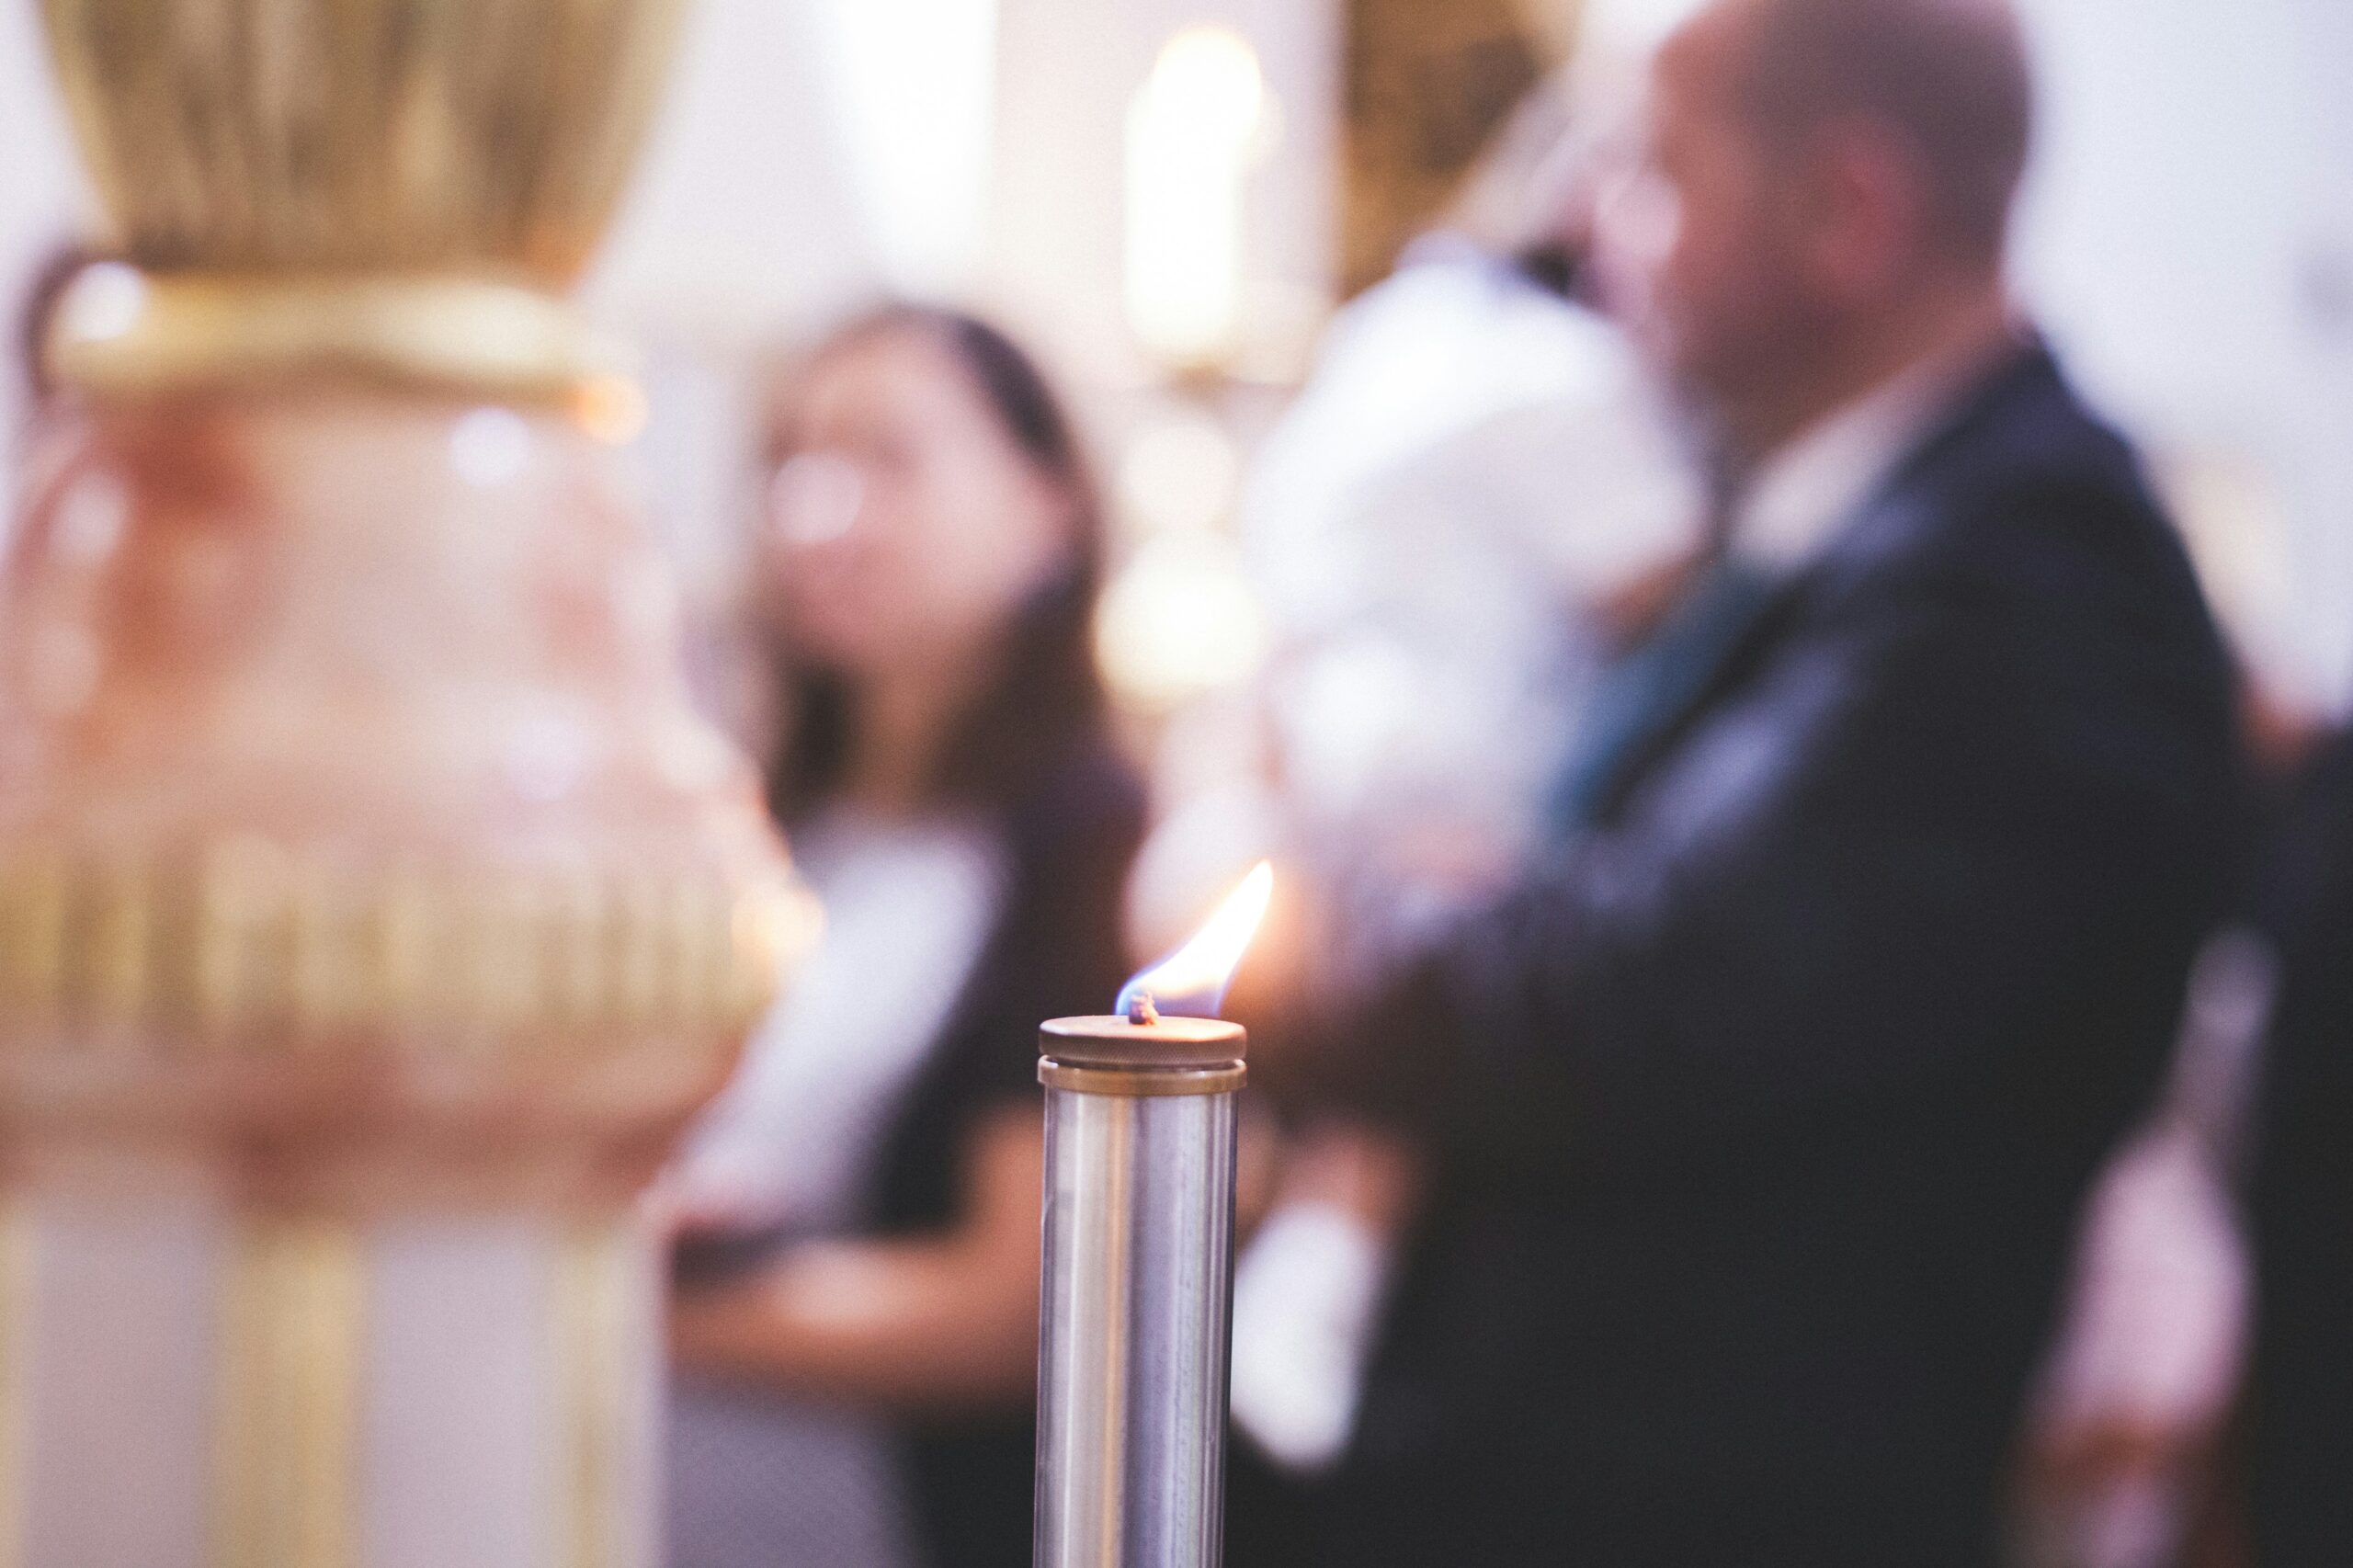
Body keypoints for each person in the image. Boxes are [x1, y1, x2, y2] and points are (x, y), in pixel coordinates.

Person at [1281, 1, 2243, 1563]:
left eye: (1652, 167)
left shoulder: (2036, 585)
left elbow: (1621, 1006)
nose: (1590, 218)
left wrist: (1284, 936)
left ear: (1844, 210)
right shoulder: (1859, 518)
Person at [661, 306, 1143, 1568]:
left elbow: (1029, 1299)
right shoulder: (771, 814)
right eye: (795, 462)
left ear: (1046, 505)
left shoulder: (1086, 841)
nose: (817, 512)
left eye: (888, 456)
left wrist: (630, 1315)